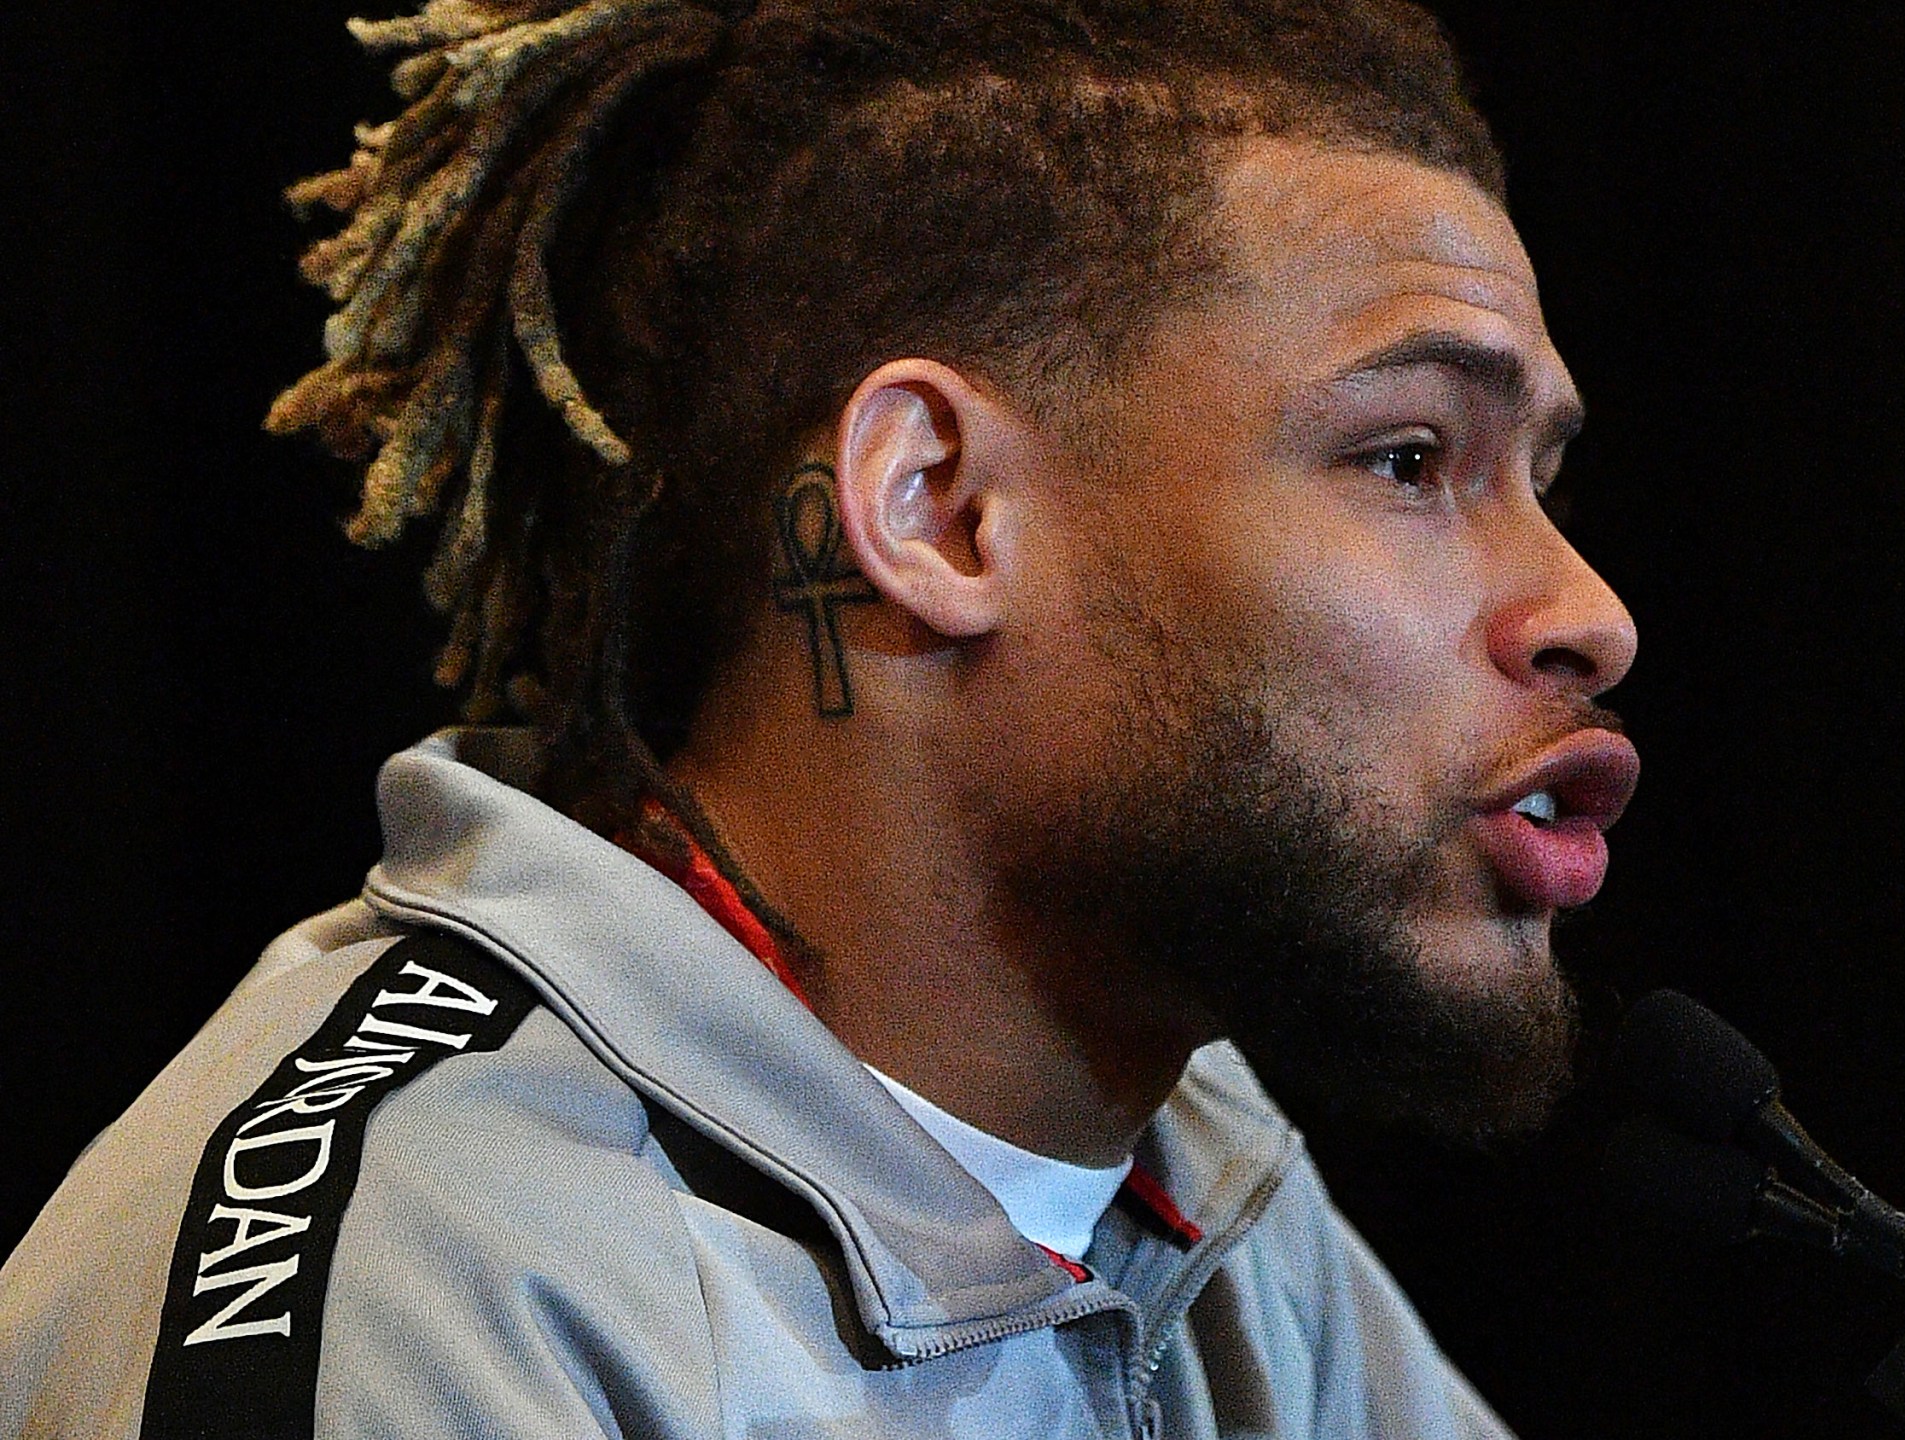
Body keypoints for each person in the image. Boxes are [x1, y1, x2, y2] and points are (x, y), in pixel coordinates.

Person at [0, 0, 1638, 1434]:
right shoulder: (423, 1283)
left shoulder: (1206, 1184)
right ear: (936, 510)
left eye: (1541, 480)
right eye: (1412, 460)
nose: (1588, 615)